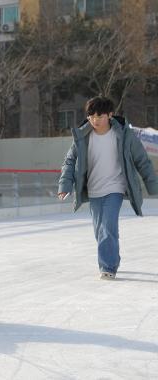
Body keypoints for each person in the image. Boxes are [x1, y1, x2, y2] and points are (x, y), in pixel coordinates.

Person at [58, 96, 158, 280]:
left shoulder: (124, 135)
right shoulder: (82, 136)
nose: (95, 120)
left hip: (115, 187)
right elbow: (70, 161)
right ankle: (113, 257)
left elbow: (141, 160)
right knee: (101, 230)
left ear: (110, 115)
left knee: (107, 225)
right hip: (93, 189)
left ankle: (108, 266)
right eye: (91, 116)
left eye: (100, 116)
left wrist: (153, 185)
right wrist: (65, 185)